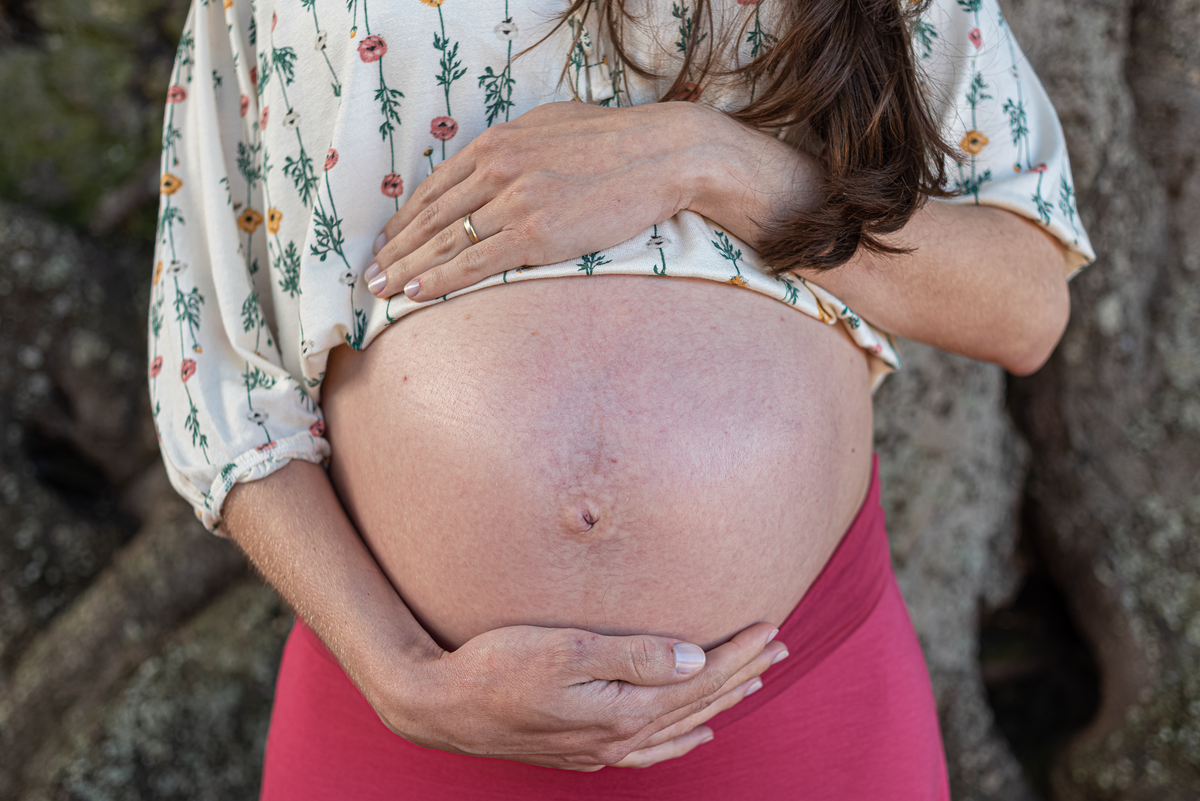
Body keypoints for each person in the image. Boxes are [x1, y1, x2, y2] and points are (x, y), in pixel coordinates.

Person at [147, 0, 1094, 796]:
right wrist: (400, 675)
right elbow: (218, 372)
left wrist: (706, 160)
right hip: (406, 715)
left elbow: (1023, 303)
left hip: (791, 705)